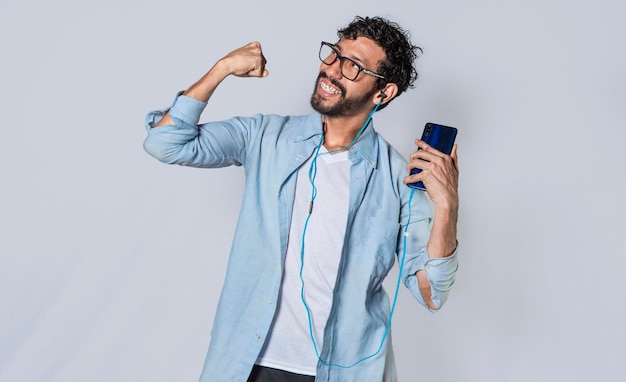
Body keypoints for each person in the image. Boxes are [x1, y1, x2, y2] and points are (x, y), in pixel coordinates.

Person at [144, 16, 459, 382]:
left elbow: (430, 293)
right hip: (247, 365)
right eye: (334, 55)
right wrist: (222, 69)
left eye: (353, 66)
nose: (331, 70)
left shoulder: (397, 180)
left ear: (383, 93)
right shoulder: (266, 136)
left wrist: (447, 206)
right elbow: (164, 143)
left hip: (341, 372)